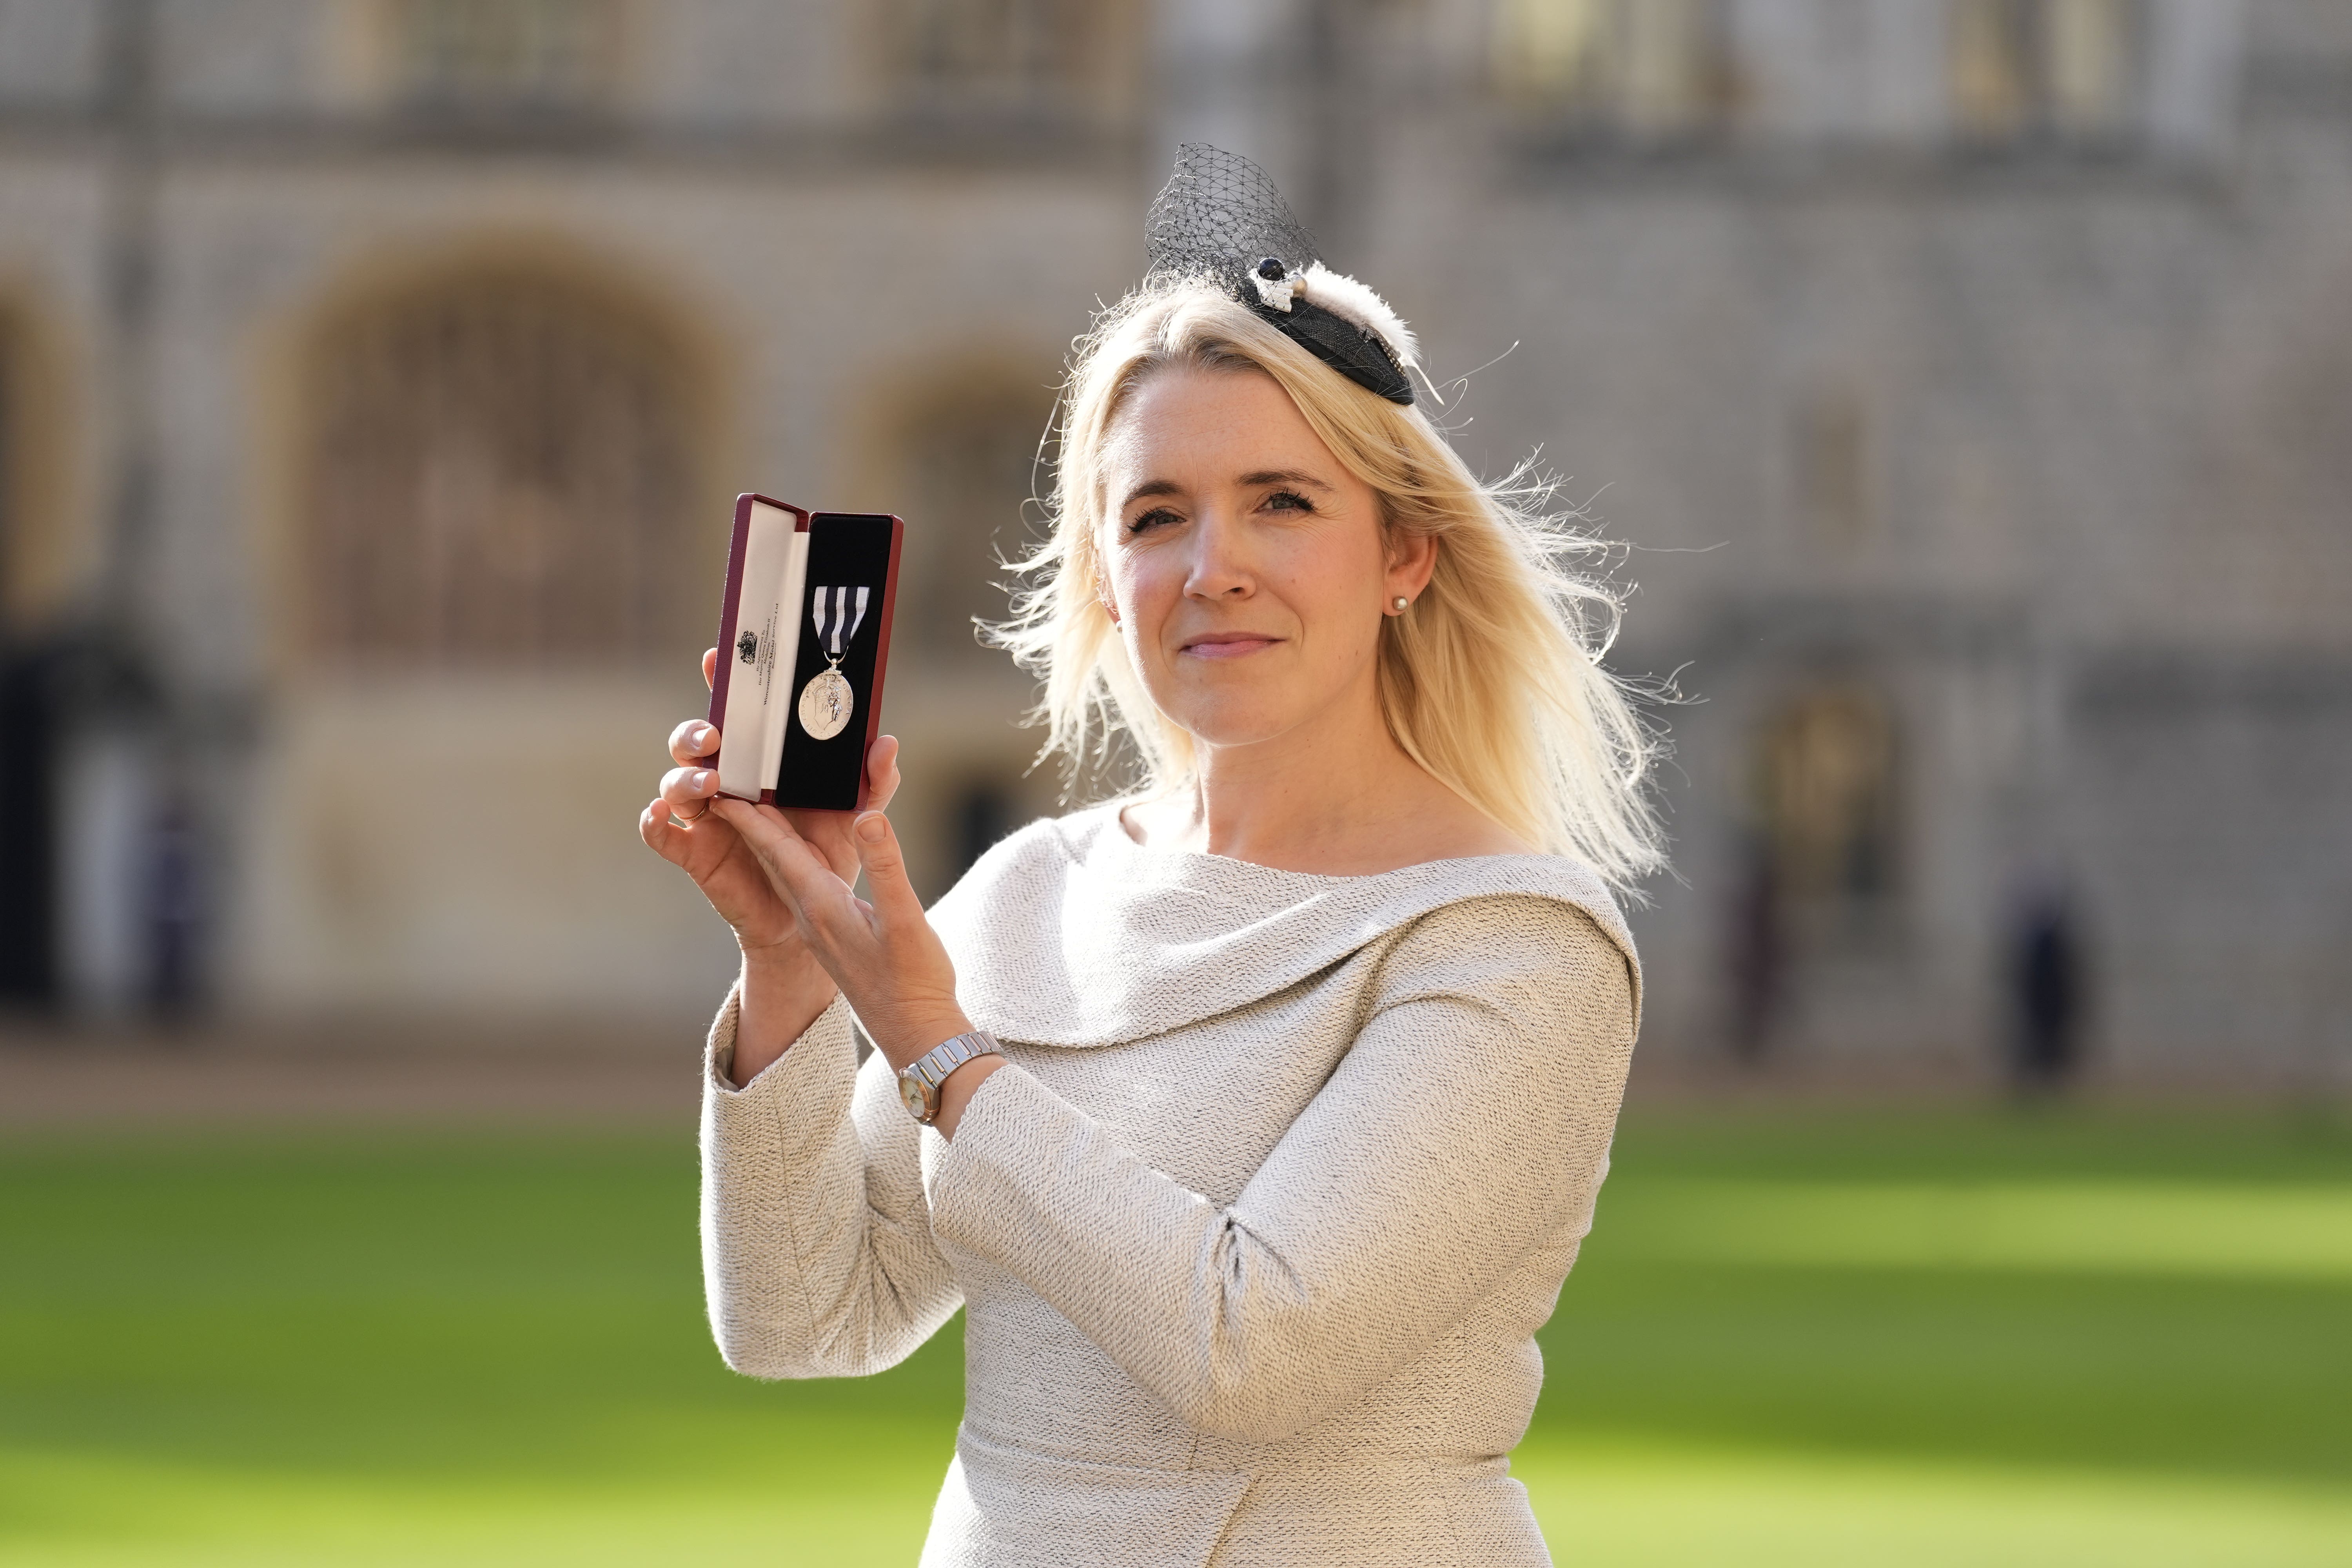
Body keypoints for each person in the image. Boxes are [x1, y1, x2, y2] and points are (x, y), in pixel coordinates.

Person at [639, 147, 1665, 1566]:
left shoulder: (1516, 941)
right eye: (1156, 516)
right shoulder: (1032, 891)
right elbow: (804, 1321)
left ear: (1405, 560)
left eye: (1283, 503)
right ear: (1107, 585)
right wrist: (790, 974)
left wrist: (937, 1045)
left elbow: (1251, 1347)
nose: (1211, 568)